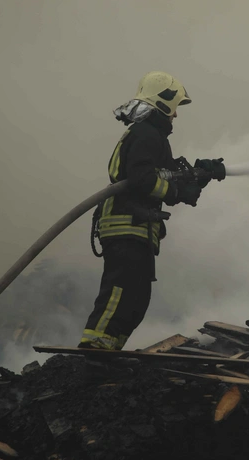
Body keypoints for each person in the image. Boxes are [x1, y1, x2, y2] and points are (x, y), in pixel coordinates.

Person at [79, 71, 225, 350]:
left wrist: (200, 176)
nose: (176, 116)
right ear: (163, 102)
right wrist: (178, 191)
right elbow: (142, 179)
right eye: (175, 108)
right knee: (121, 289)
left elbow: (166, 179)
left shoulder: (151, 136)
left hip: (137, 226)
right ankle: (94, 347)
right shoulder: (147, 134)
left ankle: (109, 350)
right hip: (126, 223)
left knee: (137, 298)